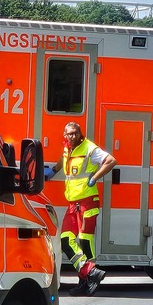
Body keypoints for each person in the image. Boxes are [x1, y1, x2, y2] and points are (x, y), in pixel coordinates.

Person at [51, 122, 114, 296]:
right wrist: (53, 171)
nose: (71, 137)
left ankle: (85, 282)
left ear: (80, 134)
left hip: (87, 201)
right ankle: (91, 273)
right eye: (68, 134)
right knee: (66, 240)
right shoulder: (68, 148)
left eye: (74, 134)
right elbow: (64, 160)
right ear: (65, 135)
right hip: (73, 203)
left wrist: (94, 178)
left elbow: (110, 161)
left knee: (85, 243)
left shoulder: (89, 148)